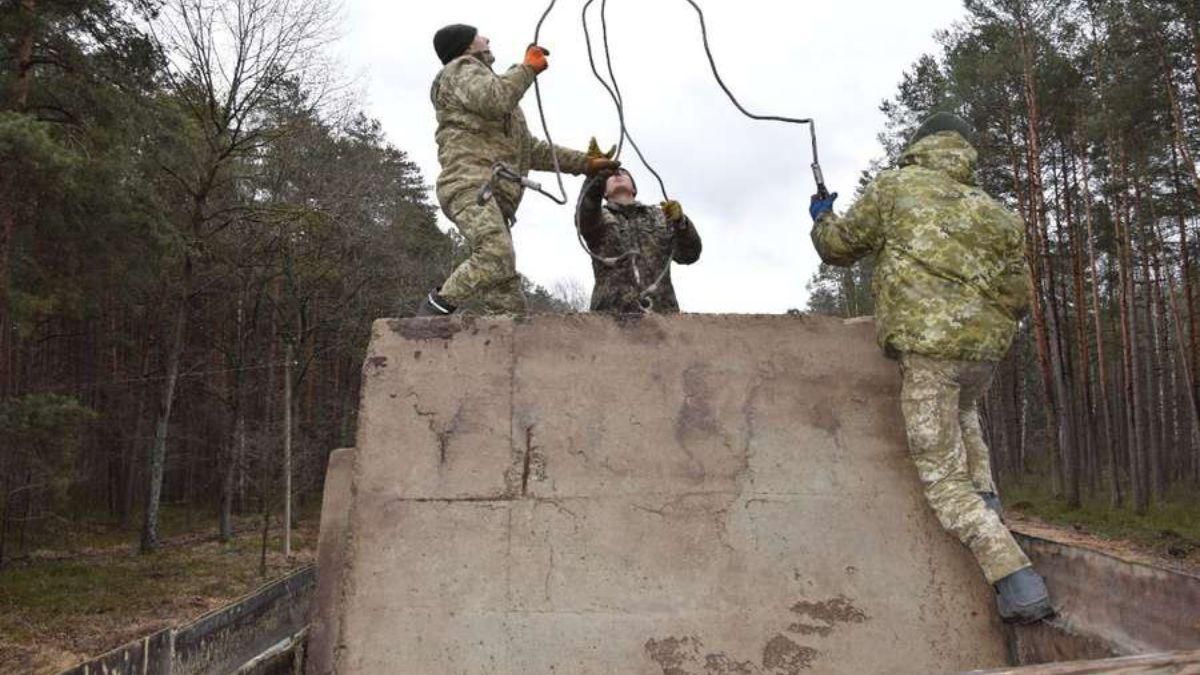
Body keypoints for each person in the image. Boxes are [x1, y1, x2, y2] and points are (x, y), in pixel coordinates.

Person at [809, 112, 1052, 624]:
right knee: (965, 418)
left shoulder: (895, 187)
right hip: (983, 353)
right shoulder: (997, 212)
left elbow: (839, 248)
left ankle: (1018, 582)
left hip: (928, 352)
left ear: (920, 144)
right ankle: (991, 510)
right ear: (964, 149)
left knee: (942, 478)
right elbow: (1018, 296)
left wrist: (822, 217)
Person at [418, 24, 620, 316]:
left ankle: (510, 335)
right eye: (479, 35)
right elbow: (495, 99)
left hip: (491, 194)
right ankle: (433, 313)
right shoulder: (459, 70)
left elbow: (532, 150)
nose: (487, 38)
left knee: (505, 292)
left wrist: (585, 163)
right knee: (495, 254)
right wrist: (527, 69)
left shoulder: (492, 93)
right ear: (466, 46)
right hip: (470, 185)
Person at [576, 168, 702, 313]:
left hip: (662, 314)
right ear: (604, 192)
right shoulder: (598, 218)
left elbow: (689, 255)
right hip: (611, 316)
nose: (617, 174)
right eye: (610, 176)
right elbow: (586, 212)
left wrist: (681, 223)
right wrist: (597, 177)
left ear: (634, 189)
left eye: (624, 174)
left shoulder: (660, 216)